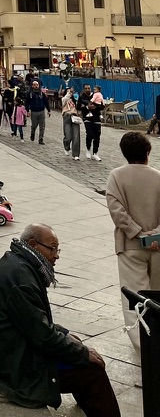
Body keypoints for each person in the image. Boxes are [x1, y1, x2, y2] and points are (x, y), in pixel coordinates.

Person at [0, 223, 121, 416]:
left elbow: (34, 321)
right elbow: (43, 335)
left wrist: (66, 335)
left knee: (74, 345)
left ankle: (89, 399)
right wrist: (81, 352)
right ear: (33, 244)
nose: (56, 255)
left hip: (10, 353)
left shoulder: (17, 263)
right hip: (13, 368)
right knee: (92, 370)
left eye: (57, 249)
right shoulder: (20, 278)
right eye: (52, 248)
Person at [105, 131, 160, 350]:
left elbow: (116, 211)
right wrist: (154, 234)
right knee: (157, 295)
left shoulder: (116, 176)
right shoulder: (158, 176)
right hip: (158, 246)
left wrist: (137, 233)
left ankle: (143, 346)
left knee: (135, 299)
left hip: (129, 246)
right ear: (148, 152)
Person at [78, 84, 103, 161]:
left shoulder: (96, 95)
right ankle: (88, 149)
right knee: (89, 134)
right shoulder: (82, 97)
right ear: (84, 89)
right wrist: (86, 107)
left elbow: (102, 106)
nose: (87, 90)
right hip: (87, 118)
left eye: (89, 88)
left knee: (97, 136)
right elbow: (79, 107)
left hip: (96, 118)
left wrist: (95, 107)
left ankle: (95, 153)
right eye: (86, 88)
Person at [25, 80, 50, 144]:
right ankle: (32, 133)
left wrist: (48, 110)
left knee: (42, 126)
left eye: (37, 85)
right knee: (34, 125)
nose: (36, 86)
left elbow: (46, 102)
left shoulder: (42, 94)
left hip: (41, 111)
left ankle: (41, 139)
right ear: (32, 86)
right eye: (34, 85)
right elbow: (27, 103)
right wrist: (27, 110)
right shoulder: (30, 94)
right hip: (34, 112)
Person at [61, 88, 81, 160]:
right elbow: (64, 100)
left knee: (76, 136)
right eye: (69, 91)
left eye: (71, 92)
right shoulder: (64, 99)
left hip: (74, 117)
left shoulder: (75, 99)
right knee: (68, 135)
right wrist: (68, 93)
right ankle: (66, 146)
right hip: (67, 116)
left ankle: (76, 154)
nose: (71, 93)